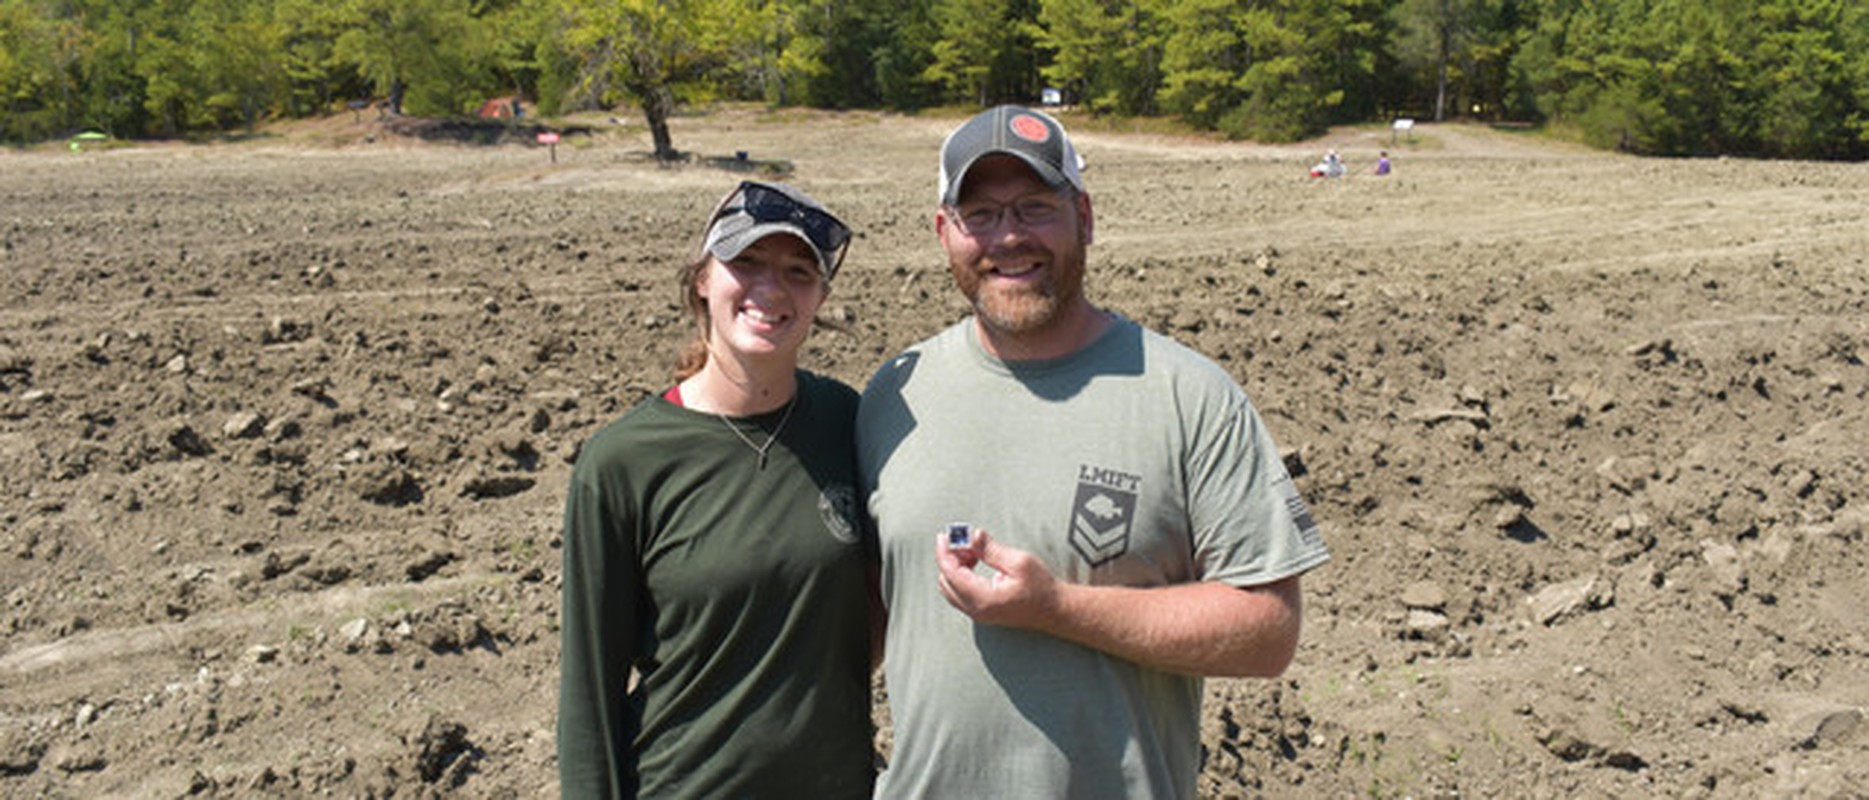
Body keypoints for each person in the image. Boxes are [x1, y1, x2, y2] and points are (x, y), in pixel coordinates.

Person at [856, 105, 1330, 798]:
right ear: (942, 232)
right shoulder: (894, 396)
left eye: (1034, 207)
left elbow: (1267, 631)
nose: (1009, 237)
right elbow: (867, 614)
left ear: (1085, 216)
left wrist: (1058, 609)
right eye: (979, 213)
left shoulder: (1187, 396)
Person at [559, 180, 874, 798]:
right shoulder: (623, 462)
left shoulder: (847, 421)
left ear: (821, 295)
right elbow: (588, 691)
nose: (772, 289)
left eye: (798, 270)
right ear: (702, 278)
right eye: (747, 262)